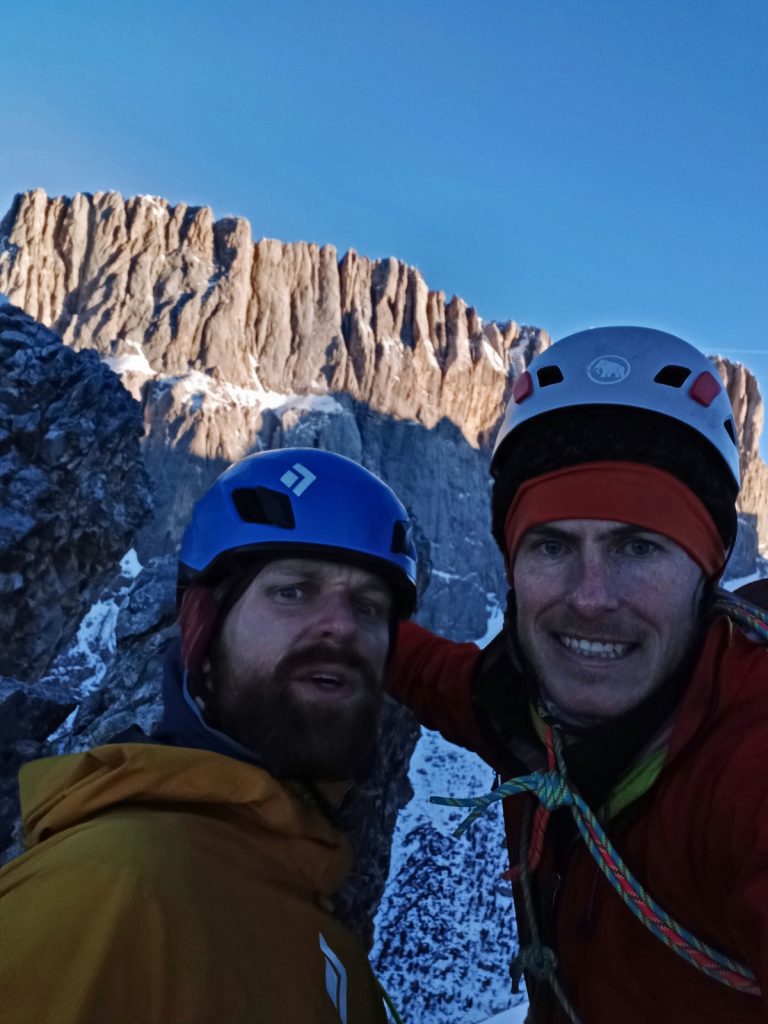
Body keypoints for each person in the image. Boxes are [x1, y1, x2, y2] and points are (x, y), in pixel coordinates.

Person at [389, 326, 768, 1023]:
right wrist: (343, 619)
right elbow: (439, 677)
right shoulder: (528, 711)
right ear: (509, 566)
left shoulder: (745, 759)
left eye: (640, 546)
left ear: (706, 573)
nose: (591, 597)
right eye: (553, 545)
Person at [0, 447, 417, 1024]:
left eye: (369, 607)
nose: (342, 625)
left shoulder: (319, 927)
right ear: (201, 634)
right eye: (293, 591)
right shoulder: (103, 893)